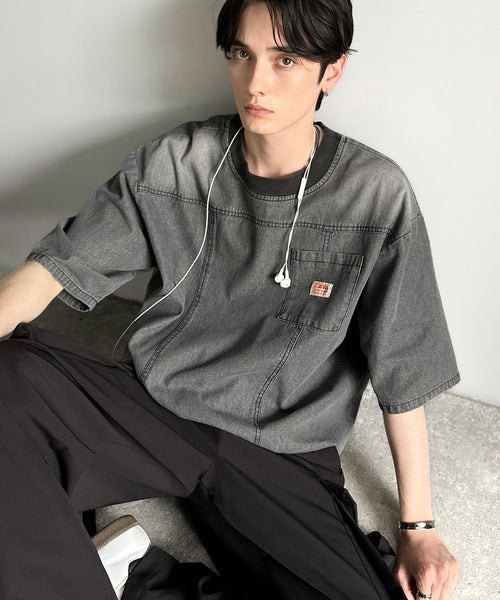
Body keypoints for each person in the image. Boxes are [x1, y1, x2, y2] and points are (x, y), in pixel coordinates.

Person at [0, 1, 461, 599]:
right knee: (9, 378)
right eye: (242, 53)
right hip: (158, 407)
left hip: (283, 449)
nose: (255, 82)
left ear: (333, 70)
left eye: (285, 60)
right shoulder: (177, 163)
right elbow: (48, 272)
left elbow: (405, 372)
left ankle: (135, 576)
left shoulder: (376, 196)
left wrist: (419, 527)